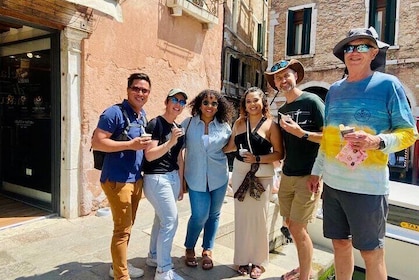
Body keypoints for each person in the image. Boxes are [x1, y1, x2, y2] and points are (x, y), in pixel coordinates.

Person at [307, 27, 417, 280]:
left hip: (368, 189)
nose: (354, 52)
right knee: (339, 244)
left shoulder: (389, 84)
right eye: (350, 47)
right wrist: (316, 171)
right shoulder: (334, 90)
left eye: (362, 47)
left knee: (371, 254)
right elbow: (329, 137)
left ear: (374, 53)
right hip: (333, 185)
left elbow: (409, 133)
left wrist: (377, 141)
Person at [264, 59, 325, 280]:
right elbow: (284, 147)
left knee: (298, 229)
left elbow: (330, 137)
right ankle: (303, 268)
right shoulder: (283, 110)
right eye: (278, 78)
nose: (283, 80)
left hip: (308, 176)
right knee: (291, 224)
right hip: (288, 175)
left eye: (286, 75)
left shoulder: (312, 101)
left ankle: (304, 277)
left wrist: (304, 133)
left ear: (296, 76)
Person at [91, 73, 152, 280]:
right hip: (117, 180)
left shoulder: (141, 115)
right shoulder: (113, 113)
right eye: (136, 88)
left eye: (144, 90)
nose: (140, 93)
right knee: (122, 230)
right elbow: (97, 142)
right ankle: (121, 276)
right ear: (128, 90)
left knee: (127, 226)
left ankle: (118, 266)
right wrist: (129, 145)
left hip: (135, 179)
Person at [223, 87, 283, 279]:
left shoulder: (271, 125)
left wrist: (257, 158)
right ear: (244, 104)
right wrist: (208, 147)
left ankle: (258, 261)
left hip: (262, 175)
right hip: (240, 174)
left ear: (263, 102)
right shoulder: (239, 123)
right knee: (241, 219)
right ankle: (241, 259)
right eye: (248, 101)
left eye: (256, 100)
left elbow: (279, 153)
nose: (252, 104)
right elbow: (231, 146)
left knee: (259, 219)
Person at [182, 89, 234, 271]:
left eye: (214, 103)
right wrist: (180, 179)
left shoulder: (224, 126)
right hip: (195, 177)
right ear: (199, 104)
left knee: (214, 215)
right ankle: (189, 246)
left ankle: (207, 250)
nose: (209, 106)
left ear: (219, 106)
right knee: (199, 215)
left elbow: (230, 148)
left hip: (219, 176)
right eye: (206, 102)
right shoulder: (188, 124)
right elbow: (178, 151)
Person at [142, 88, 188, 280]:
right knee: (170, 221)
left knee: (160, 220)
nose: (178, 104)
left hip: (171, 178)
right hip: (156, 178)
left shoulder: (177, 127)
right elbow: (149, 155)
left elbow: (179, 157)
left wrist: (181, 182)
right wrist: (170, 141)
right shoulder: (156, 124)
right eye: (174, 100)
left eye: (182, 101)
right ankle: (163, 270)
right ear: (166, 101)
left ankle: (154, 256)